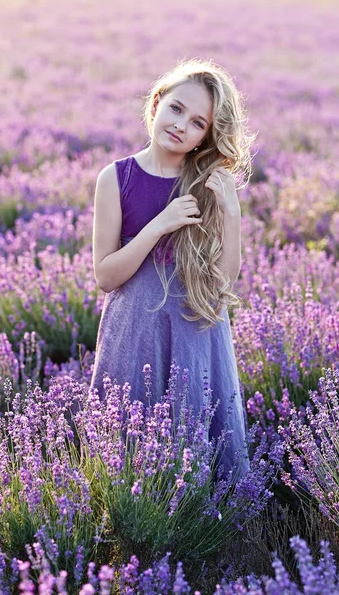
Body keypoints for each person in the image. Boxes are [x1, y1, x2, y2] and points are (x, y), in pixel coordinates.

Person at [90, 57, 256, 481]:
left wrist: (232, 215)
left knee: (198, 452)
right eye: (177, 108)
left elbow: (223, 283)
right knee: (128, 460)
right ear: (156, 104)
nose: (181, 125)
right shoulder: (116, 178)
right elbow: (106, 276)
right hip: (134, 334)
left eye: (198, 122)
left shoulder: (206, 185)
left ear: (206, 136)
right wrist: (158, 226)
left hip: (194, 330)